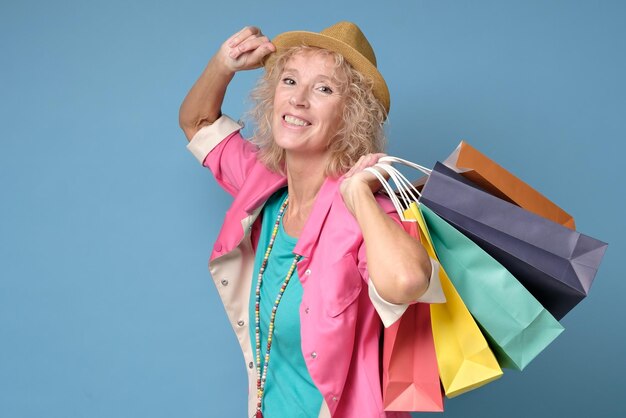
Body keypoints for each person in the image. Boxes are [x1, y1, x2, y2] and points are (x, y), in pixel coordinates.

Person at [179, 21, 443, 418]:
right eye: (289, 81)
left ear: (350, 115)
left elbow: (407, 282)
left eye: (323, 89)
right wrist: (224, 63)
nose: (298, 99)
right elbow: (197, 123)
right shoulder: (262, 183)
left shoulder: (368, 214)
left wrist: (358, 195)